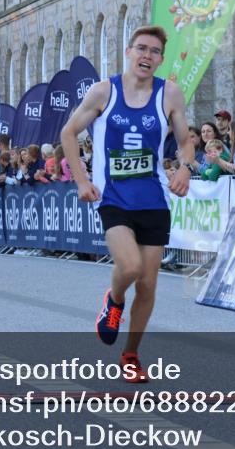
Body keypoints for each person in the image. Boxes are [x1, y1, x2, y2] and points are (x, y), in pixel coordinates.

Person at [60, 25, 194, 383]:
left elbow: (186, 141)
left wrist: (185, 168)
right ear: (129, 51)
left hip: (153, 198)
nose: (147, 56)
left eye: (154, 52)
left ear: (161, 59)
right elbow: (68, 133)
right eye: (142, 49)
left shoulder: (170, 94)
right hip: (114, 198)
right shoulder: (105, 91)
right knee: (131, 266)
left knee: (149, 285)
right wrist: (82, 180)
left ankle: (131, 354)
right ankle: (114, 300)